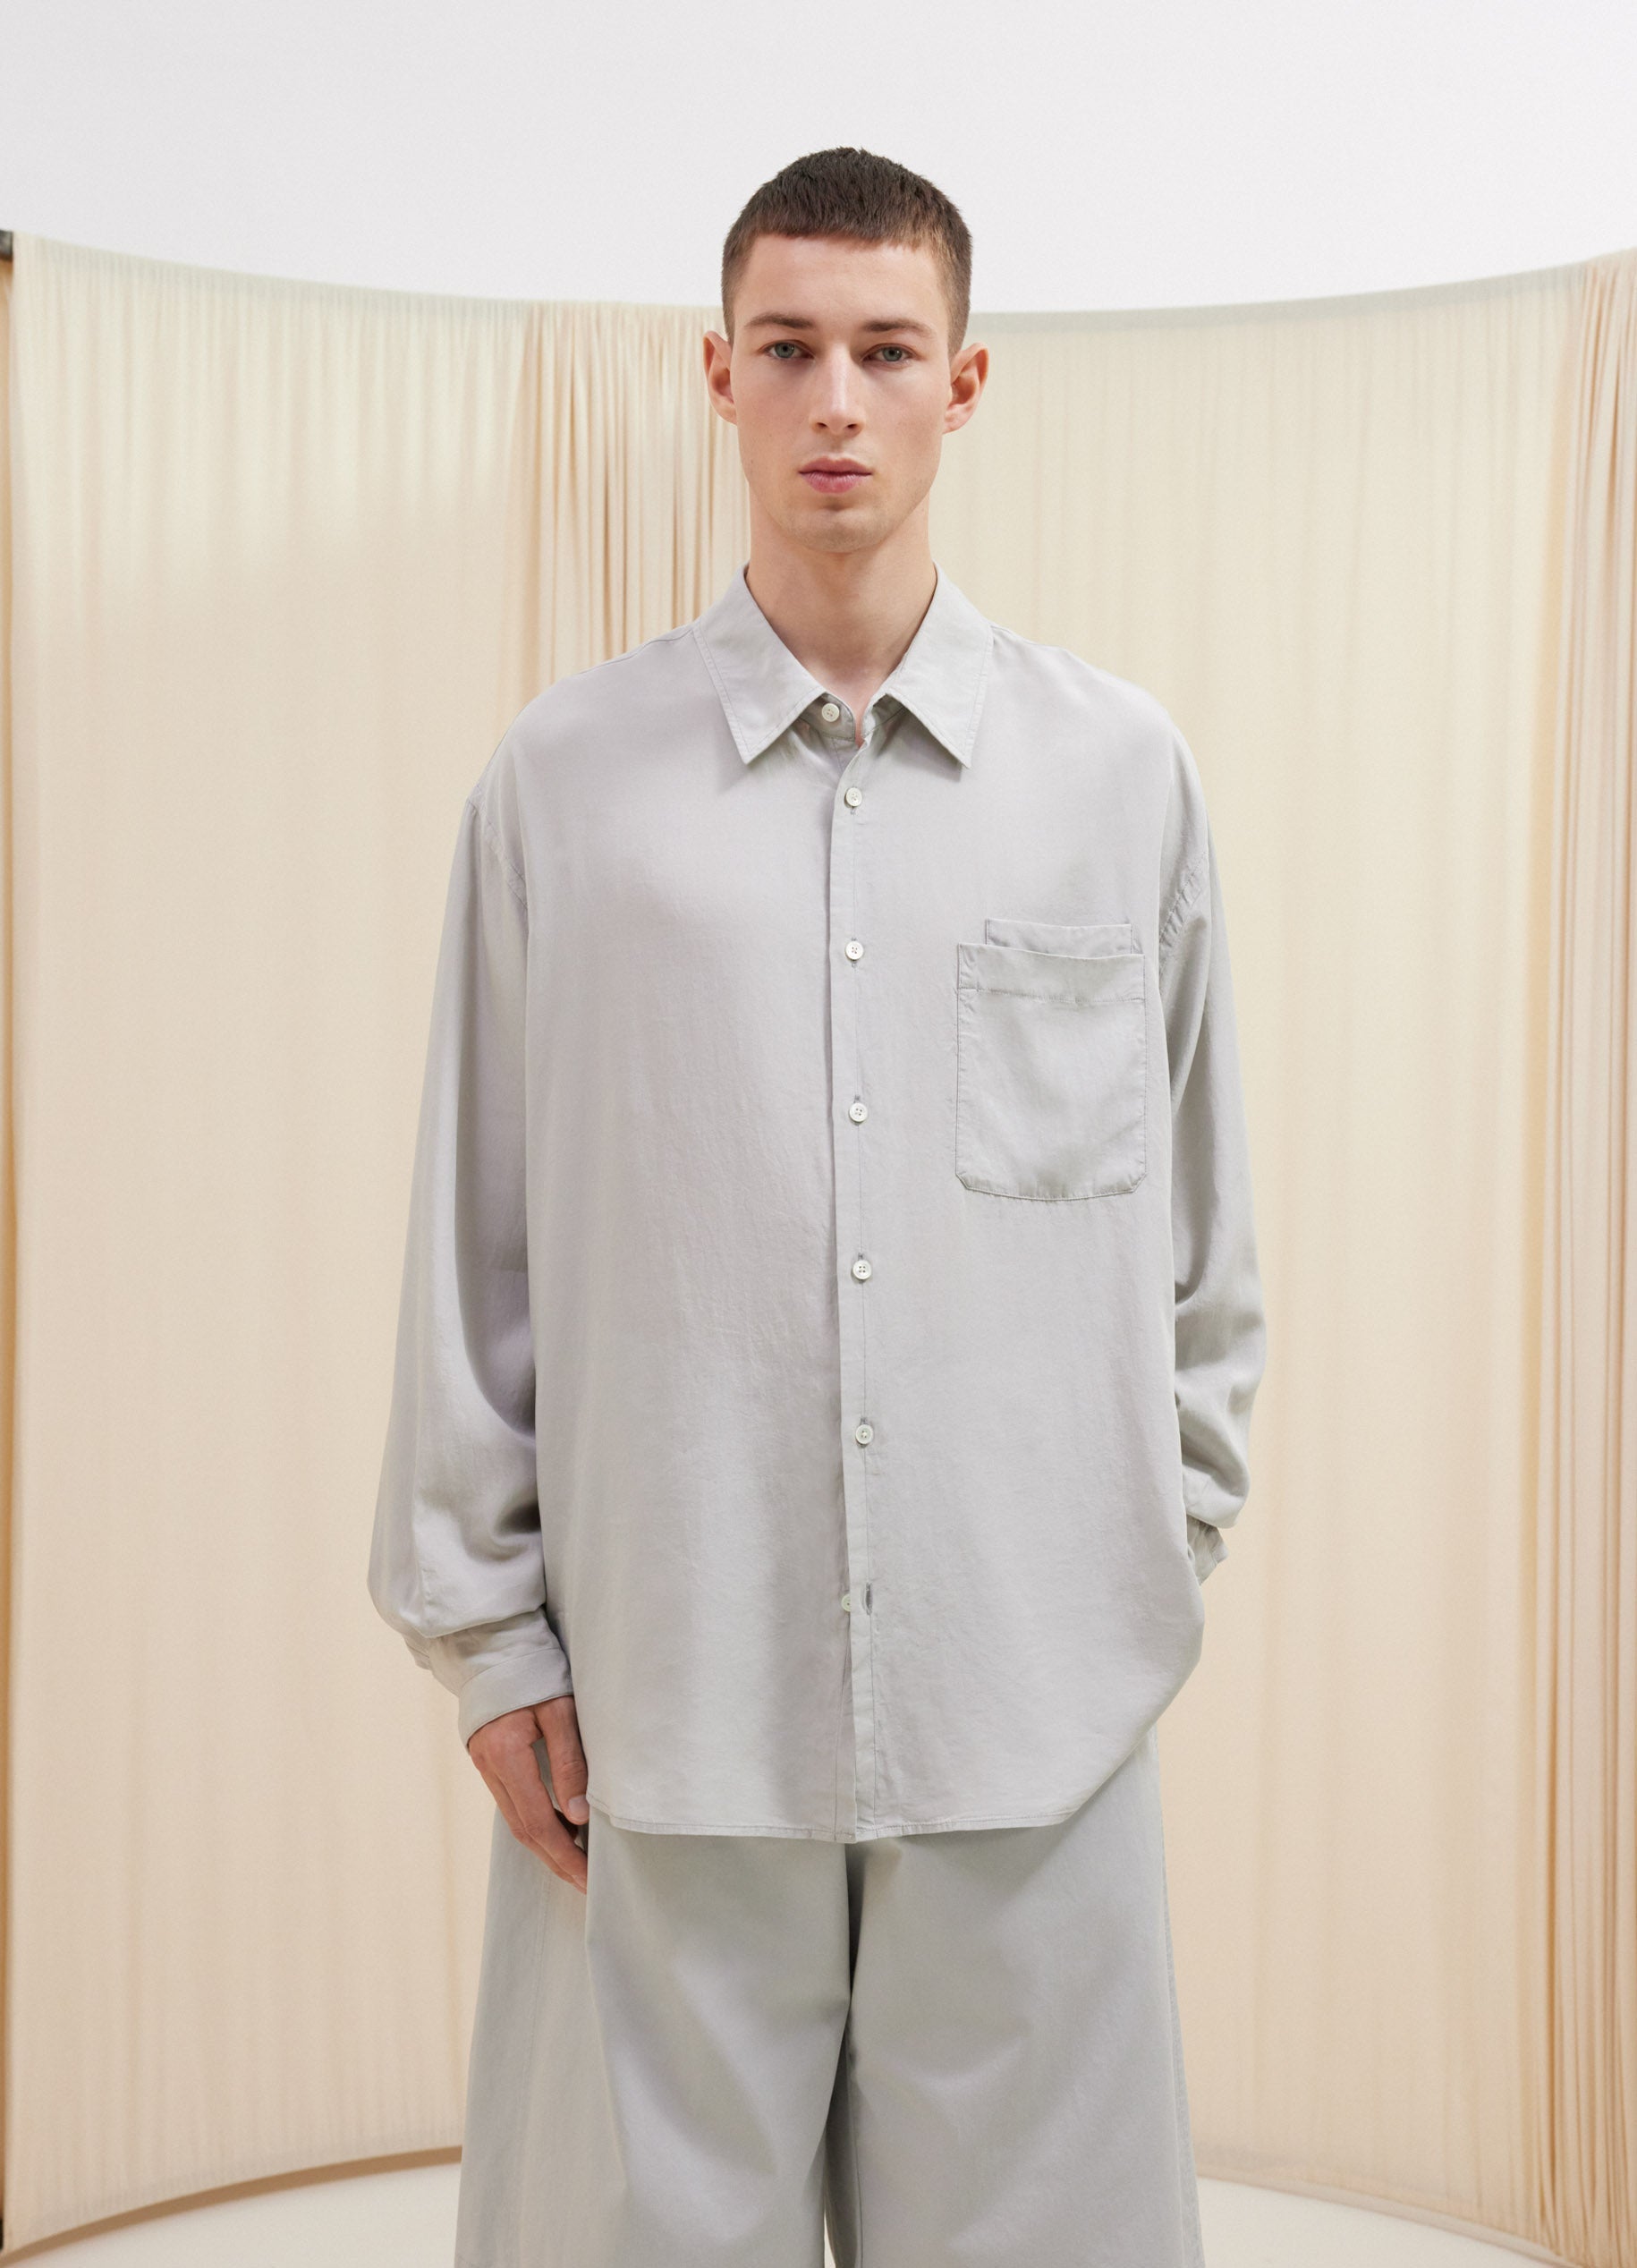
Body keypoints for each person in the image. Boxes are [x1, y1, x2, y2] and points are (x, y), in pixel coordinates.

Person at [369, 143, 1267, 2268]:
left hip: (1031, 1704)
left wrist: (1151, 1546)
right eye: (788, 348)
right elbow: (476, 1242)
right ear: (720, 375)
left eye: (884, 349)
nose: (836, 401)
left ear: (966, 381)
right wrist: (494, 1640)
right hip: (665, 1713)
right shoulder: (567, 785)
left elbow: (1203, 1237)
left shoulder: (1120, 776)